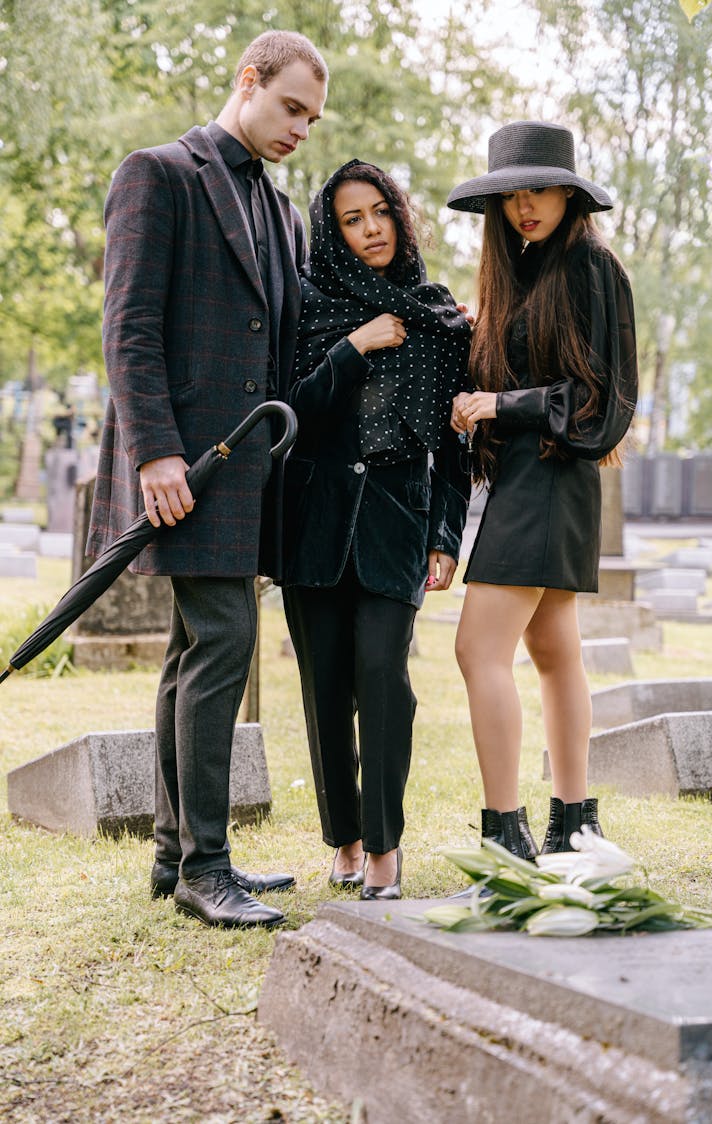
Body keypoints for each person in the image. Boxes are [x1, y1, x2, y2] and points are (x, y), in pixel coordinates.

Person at [86, 31, 328, 928]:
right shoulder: (160, 173)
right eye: (290, 107)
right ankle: (206, 866)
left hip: (249, 468)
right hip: (185, 461)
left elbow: (290, 339)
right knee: (224, 644)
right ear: (248, 82)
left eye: (311, 118)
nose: (299, 128)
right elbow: (130, 325)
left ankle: (171, 854)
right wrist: (154, 450)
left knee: (196, 650)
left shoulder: (283, 210)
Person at [447, 120, 638, 858]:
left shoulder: (591, 268)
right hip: (532, 478)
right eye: (511, 193)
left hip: (555, 477)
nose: (525, 205)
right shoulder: (525, 271)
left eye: (539, 189)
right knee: (554, 650)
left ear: (569, 193)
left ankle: (508, 836)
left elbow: (603, 398)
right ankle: (573, 823)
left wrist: (502, 404)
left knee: (477, 649)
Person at [282, 160, 471, 899]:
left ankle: (386, 850)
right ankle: (346, 841)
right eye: (352, 219)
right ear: (333, 230)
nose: (370, 230)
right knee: (325, 687)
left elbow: (453, 446)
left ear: (399, 214)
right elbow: (291, 409)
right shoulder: (308, 304)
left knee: (384, 682)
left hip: (398, 521)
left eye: (379, 212)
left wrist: (447, 535)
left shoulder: (439, 314)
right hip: (315, 523)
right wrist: (354, 345)